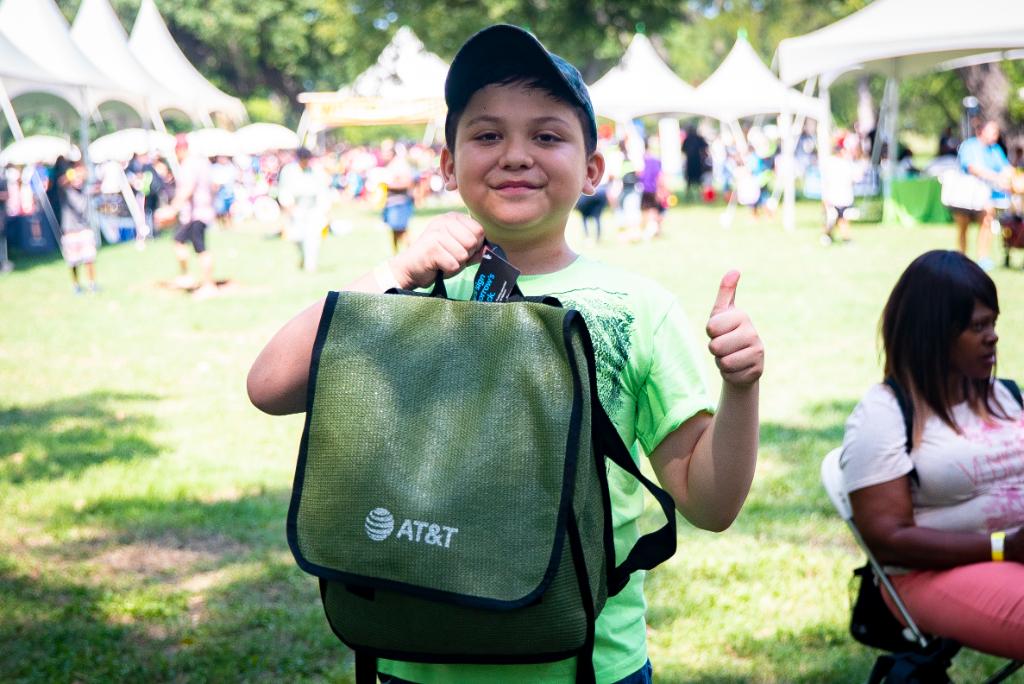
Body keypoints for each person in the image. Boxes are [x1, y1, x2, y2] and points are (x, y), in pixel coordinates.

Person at [247, 24, 763, 684]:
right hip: (413, 659)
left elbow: (710, 504)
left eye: (547, 136)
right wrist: (394, 272)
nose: (516, 155)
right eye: (488, 135)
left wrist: (741, 389)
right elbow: (269, 386)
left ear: (593, 170)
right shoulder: (404, 295)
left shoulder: (638, 308)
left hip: (588, 667)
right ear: (447, 164)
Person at [839, 250, 1024, 659]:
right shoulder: (885, 414)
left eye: (993, 323)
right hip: (930, 574)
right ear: (935, 334)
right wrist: (1004, 547)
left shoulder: (1008, 397)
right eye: (977, 326)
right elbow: (888, 540)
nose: (993, 337)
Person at [954, 121, 1013, 271]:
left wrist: (1010, 176)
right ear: (981, 131)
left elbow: (1005, 168)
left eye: (997, 133)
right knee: (963, 226)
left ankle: (983, 258)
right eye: (992, 132)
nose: (995, 136)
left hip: (985, 195)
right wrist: (995, 177)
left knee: (987, 220)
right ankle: (961, 257)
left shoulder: (995, 149)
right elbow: (971, 168)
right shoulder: (969, 146)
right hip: (966, 195)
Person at [164, 134, 217, 298]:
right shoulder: (203, 162)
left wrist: (172, 209)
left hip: (196, 214)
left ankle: (208, 285)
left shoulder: (189, 164)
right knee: (179, 241)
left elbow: (188, 188)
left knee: (201, 249)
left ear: (181, 149)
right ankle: (186, 276)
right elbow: (213, 186)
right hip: (202, 211)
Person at [278, 147, 331, 272]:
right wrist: (290, 209)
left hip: (313, 209)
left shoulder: (315, 171)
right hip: (296, 208)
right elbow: (284, 192)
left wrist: (325, 210)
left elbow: (322, 191)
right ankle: (303, 256)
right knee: (297, 237)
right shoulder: (289, 171)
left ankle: (310, 265)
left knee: (313, 237)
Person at [58, 161, 99, 294]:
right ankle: (76, 285)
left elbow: (98, 187)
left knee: (89, 258)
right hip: (70, 231)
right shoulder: (66, 191)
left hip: (85, 229)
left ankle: (92, 284)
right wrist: (73, 174)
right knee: (73, 261)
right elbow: (61, 182)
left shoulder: (85, 190)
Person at [381, 143, 416, 253]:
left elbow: (408, 183)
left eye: (386, 152)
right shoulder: (390, 165)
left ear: (392, 152)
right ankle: (396, 255)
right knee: (394, 230)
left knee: (401, 230)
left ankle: (411, 253)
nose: (383, 154)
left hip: (400, 203)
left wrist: (388, 186)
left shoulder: (400, 165)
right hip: (391, 203)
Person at [682, 125, 709, 201]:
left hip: (693, 163)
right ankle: (697, 195)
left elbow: (683, 149)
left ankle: (692, 195)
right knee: (697, 180)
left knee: (691, 180)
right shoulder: (697, 138)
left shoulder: (688, 139)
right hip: (696, 163)